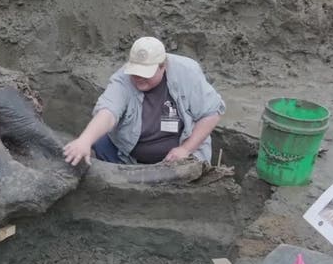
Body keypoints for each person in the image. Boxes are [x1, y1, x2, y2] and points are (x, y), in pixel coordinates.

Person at [63, 36, 225, 166]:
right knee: (99, 143)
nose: (138, 78)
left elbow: (211, 113)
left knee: (185, 175)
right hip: (125, 154)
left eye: (145, 73)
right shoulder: (123, 79)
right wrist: (85, 140)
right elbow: (108, 112)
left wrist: (185, 149)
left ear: (163, 67)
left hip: (180, 153)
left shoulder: (187, 72)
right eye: (135, 72)